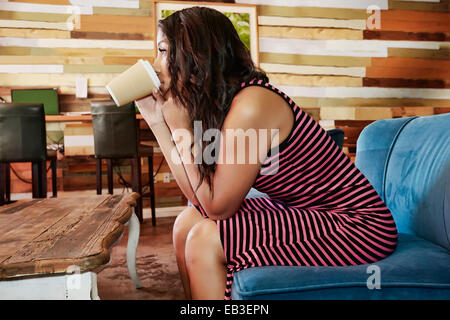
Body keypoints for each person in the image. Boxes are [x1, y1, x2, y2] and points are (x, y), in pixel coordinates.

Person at [135, 6, 398, 300]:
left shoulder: (251, 104)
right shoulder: (217, 107)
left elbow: (218, 209)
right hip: (308, 212)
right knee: (187, 222)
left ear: (196, 55)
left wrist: (181, 130)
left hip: (359, 226)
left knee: (205, 238)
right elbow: (199, 197)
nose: (156, 65)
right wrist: (157, 121)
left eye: (163, 51)